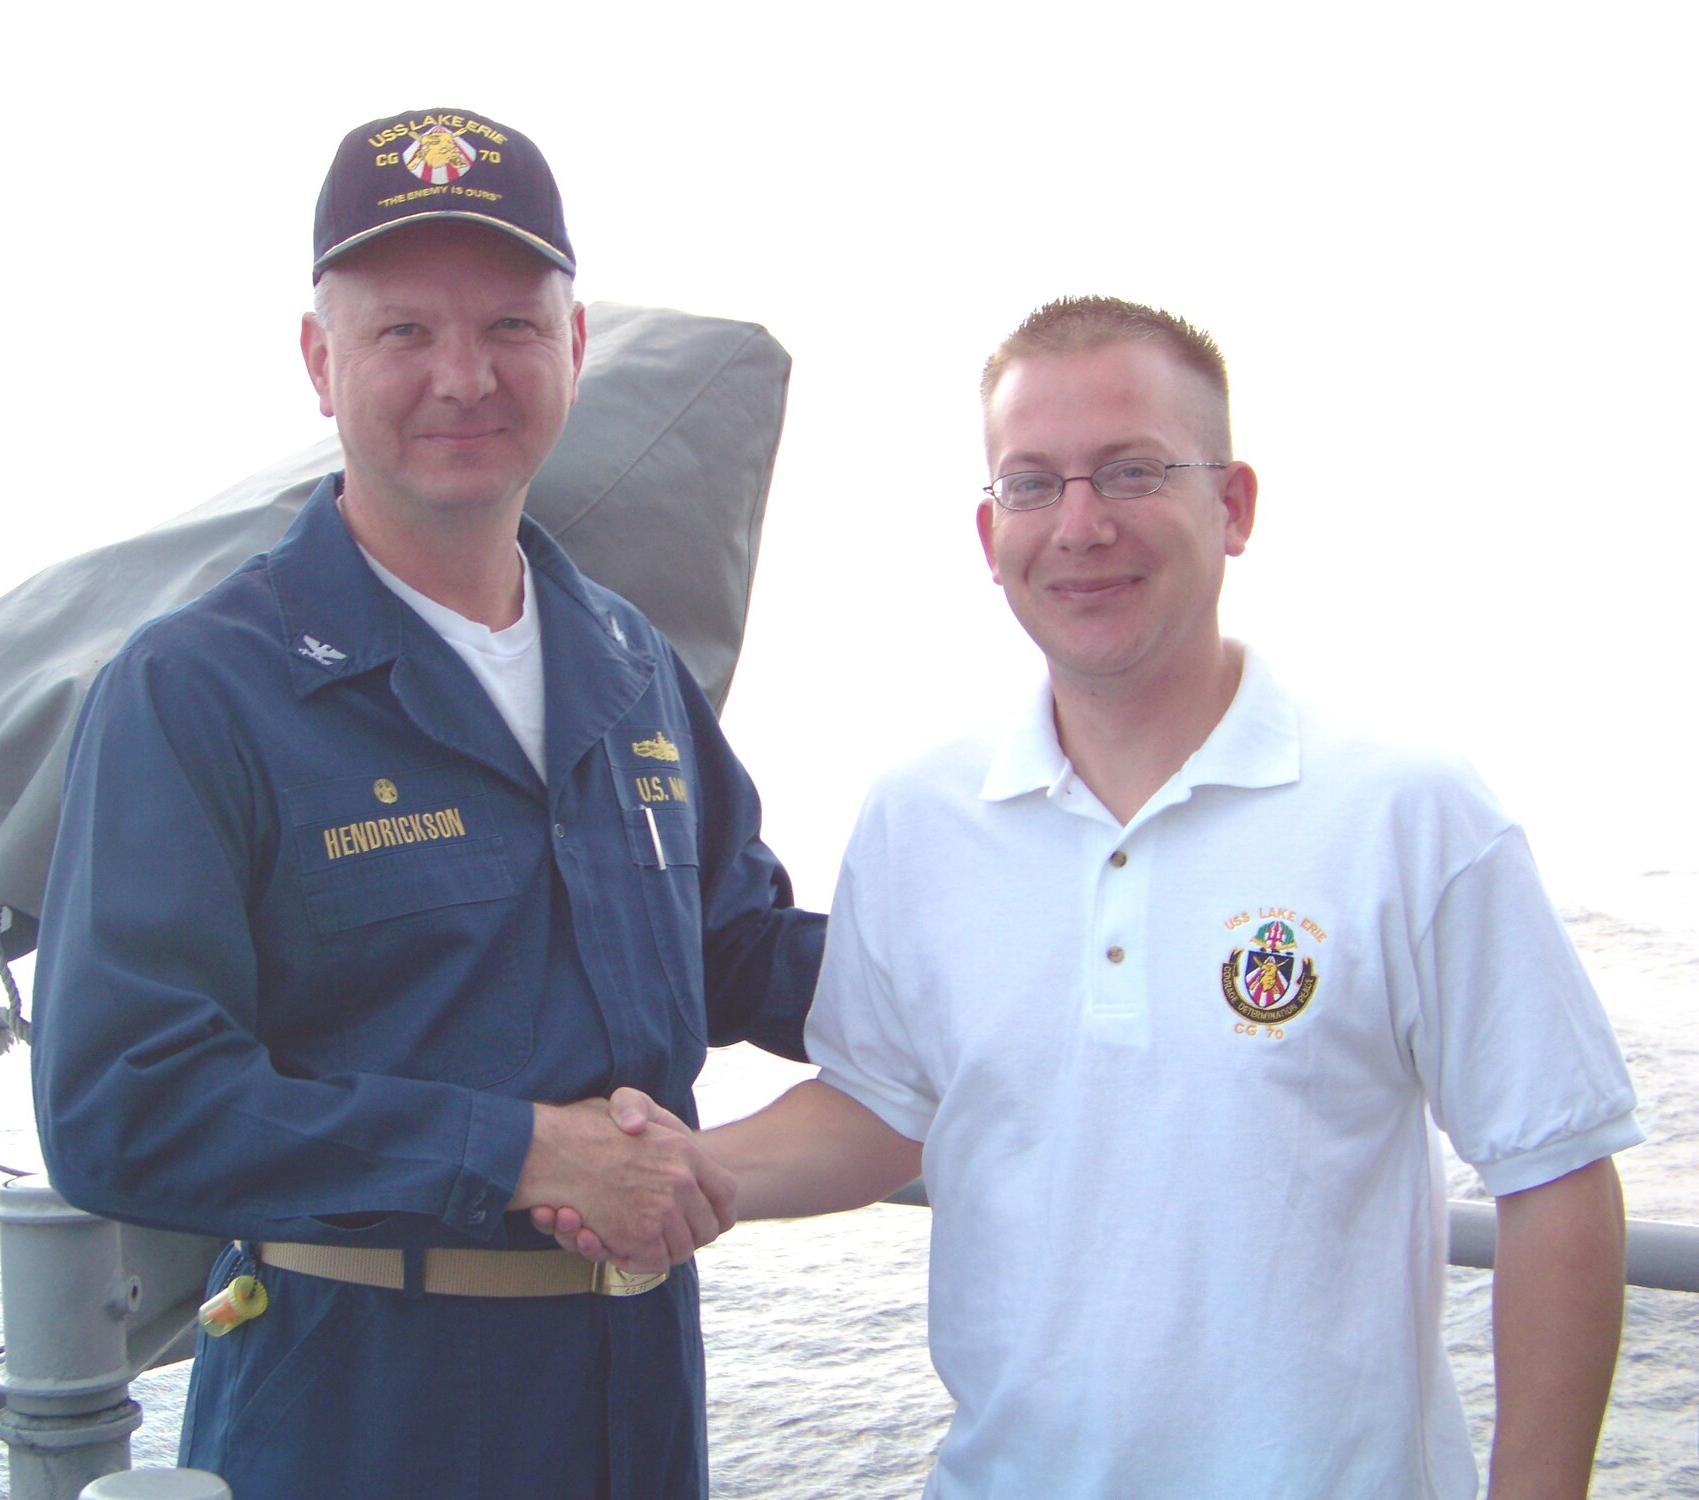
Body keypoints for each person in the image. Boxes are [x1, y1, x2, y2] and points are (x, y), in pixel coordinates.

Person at [548, 297, 1640, 1499]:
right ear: (986, 528)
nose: (1079, 525)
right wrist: (666, 1172)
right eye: (1032, 483)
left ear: (1232, 508)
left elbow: (1555, 1176)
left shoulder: (1407, 810)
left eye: (1130, 471)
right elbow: (882, 1107)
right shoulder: (922, 813)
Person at [29, 107, 823, 1499]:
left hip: (638, 1400)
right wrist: (516, 1151)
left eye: (513, 326)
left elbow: (741, 948)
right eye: (403, 331)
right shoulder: (195, 693)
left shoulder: (632, 668)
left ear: (576, 350)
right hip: (354, 1406)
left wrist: (1024, 941)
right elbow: (123, 1106)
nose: (465, 375)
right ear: (317, 358)